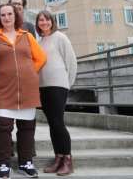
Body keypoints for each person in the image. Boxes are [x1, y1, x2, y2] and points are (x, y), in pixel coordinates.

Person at [0, 4, 46, 179]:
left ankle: (25, 162)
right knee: (3, 126)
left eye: (9, 14)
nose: (6, 17)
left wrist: (27, 70)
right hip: (3, 88)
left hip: (27, 87)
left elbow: (41, 58)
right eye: (3, 15)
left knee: (27, 126)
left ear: (15, 16)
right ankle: (3, 164)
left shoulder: (26, 36)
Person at [36, 11, 77, 176]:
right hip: (43, 86)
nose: (43, 22)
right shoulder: (39, 41)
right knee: (52, 123)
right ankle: (58, 157)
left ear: (52, 21)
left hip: (58, 85)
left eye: (46, 19)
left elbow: (71, 61)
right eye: (40, 20)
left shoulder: (60, 37)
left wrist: (68, 84)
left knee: (58, 122)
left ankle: (67, 159)